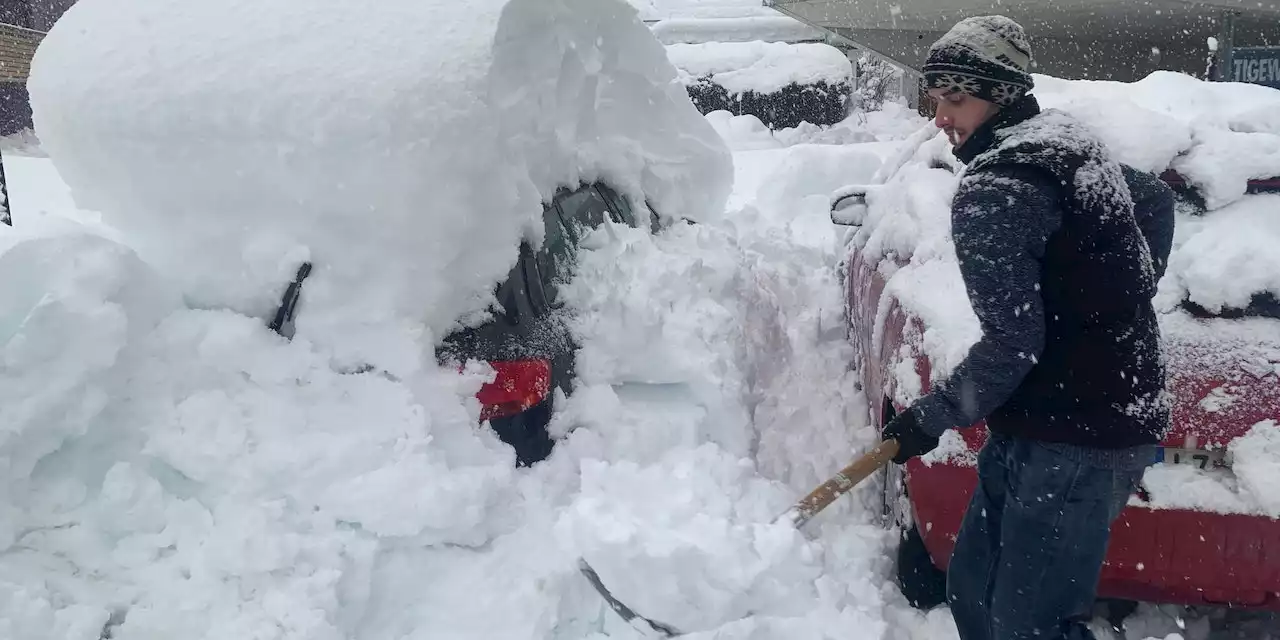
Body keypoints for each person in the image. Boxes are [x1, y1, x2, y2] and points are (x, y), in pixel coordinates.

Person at [879, 15, 1176, 640]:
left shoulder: (999, 190)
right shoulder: (1062, 138)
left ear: (1003, 95)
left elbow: (1013, 345)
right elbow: (1152, 198)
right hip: (1052, 416)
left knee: (1027, 624)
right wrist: (1118, 294)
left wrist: (925, 420)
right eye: (936, 98)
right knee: (978, 592)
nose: (940, 116)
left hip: (1080, 431)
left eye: (955, 98)